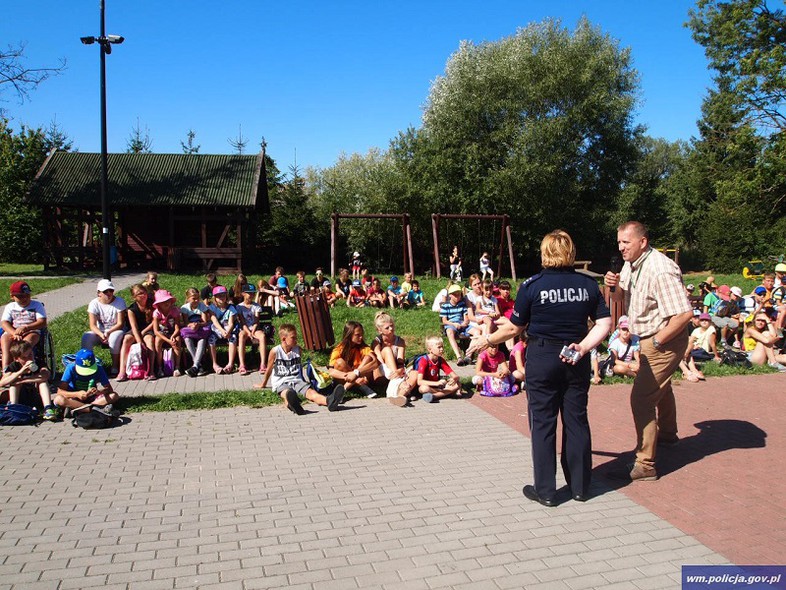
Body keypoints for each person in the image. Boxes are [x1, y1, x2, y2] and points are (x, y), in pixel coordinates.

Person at [482, 229, 610, 506]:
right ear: (571, 253)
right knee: (576, 421)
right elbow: (604, 323)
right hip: (576, 355)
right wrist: (584, 347)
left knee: (543, 424)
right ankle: (580, 487)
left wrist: (487, 340)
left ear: (545, 253)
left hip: (542, 356)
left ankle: (546, 491)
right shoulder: (588, 286)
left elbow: (516, 327)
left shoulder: (532, 286)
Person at [605, 221, 693, 482]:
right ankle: (667, 436)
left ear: (643, 242)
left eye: (626, 242)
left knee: (641, 399)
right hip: (646, 337)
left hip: (664, 340)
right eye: (619, 242)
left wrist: (656, 342)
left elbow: (684, 314)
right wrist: (614, 286)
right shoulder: (631, 263)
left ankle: (645, 464)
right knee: (660, 388)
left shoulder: (660, 269)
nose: (621, 248)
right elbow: (621, 298)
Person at [256, 324, 345, 414]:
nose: (296, 340)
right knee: (287, 393)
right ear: (283, 339)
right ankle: (294, 405)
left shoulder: (298, 350)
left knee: (311, 393)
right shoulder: (275, 351)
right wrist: (263, 384)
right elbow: (269, 369)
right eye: (293, 338)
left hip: (296, 380)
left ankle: (329, 401)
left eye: (296, 337)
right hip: (281, 381)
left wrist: (303, 380)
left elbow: (299, 367)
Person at [0, 341, 58, 420]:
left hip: (36, 396)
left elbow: (45, 376)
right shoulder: (14, 366)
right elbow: (2, 382)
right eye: (24, 357)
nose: (29, 359)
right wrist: (20, 372)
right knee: (14, 384)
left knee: (42, 382)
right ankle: (14, 407)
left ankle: (48, 408)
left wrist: (23, 380)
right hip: (21, 396)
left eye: (30, 355)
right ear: (17, 359)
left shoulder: (38, 362)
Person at [81, 279, 128, 376]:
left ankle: (115, 366)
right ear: (99, 293)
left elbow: (120, 323)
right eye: (105, 291)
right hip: (100, 331)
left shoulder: (119, 302)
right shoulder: (94, 304)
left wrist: (108, 332)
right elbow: (92, 325)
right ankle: (88, 365)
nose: (109, 293)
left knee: (114, 338)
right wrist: (101, 334)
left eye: (111, 290)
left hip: (116, 330)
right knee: (86, 337)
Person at [54, 348, 119, 415]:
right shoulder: (71, 368)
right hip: (74, 398)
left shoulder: (99, 368)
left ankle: (80, 409)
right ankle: (92, 409)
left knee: (114, 396)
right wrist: (76, 394)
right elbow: (60, 392)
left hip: (92, 398)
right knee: (59, 399)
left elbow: (109, 389)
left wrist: (99, 392)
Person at [371, 311, 417, 407]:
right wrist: (397, 372)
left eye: (392, 326)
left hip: (395, 373)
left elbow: (400, 361)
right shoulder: (376, 342)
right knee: (387, 350)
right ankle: (397, 391)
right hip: (381, 372)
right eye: (387, 328)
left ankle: (400, 395)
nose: (391, 329)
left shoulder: (400, 341)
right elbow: (380, 361)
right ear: (379, 330)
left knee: (415, 373)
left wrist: (400, 370)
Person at [1, 281, 47, 371]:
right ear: (12, 296)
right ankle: (6, 369)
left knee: (25, 344)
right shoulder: (10, 307)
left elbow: (42, 322)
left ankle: (27, 368)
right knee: (5, 341)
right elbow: (4, 323)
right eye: (20, 296)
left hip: (31, 330)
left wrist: (26, 327)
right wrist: (14, 333)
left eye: (27, 295)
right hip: (13, 331)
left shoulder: (36, 305)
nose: (25, 298)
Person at [328, 321, 379, 398]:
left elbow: (375, 363)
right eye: (357, 335)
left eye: (362, 334)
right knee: (340, 362)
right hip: (345, 379)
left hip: (360, 377)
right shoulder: (338, 349)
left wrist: (356, 373)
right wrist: (350, 377)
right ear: (349, 335)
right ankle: (361, 387)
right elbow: (331, 372)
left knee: (368, 358)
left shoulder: (364, 348)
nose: (361, 337)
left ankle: (343, 390)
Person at [117, 284, 155, 381]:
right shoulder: (131, 310)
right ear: (134, 297)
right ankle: (122, 371)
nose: (143, 295)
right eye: (140, 294)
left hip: (149, 328)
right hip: (136, 330)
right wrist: (139, 342)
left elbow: (155, 322)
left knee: (149, 340)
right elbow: (134, 327)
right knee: (126, 340)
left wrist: (144, 332)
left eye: (144, 292)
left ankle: (150, 371)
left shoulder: (152, 304)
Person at [439, 283, 480, 365]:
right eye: (455, 295)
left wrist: (464, 323)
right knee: (450, 332)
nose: (458, 297)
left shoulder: (462, 304)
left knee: (477, 332)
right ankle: (459, 357)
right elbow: (444, 321)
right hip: (451, 324)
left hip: (462, 324)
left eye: (459, 295)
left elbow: (466, 318)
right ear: (450, 295)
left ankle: (468, 355)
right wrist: (454, 324)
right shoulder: (445, 305)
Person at [415, 335, 461, 403]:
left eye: (442, 347)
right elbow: (419, 381)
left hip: (437, 387)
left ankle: (435, 396)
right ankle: (448, 393)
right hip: (428, 386)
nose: (442, 349)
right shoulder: (424, 360)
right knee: (423, 388)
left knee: (458, 384)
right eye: (439, 347)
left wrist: (454, 378)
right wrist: (436, 383)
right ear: (430, 349)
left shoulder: (440, 360)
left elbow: (454, 375)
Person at [151, 290, 183, 377]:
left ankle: (177, 366)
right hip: (162, 333)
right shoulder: (156, 313)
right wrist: (168, 341)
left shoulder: (174, 310)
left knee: (177, 340)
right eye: (163, 302)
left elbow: (177, 327)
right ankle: (160, 367)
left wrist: (172, 336)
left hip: (172, 332)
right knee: (157, 341)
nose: (166, 303)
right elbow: (156, 331)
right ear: (158, 304)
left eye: (168, 301)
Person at [180, 287, 210, 377]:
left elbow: (205, 322)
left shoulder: (202, 306)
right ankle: (198, 366)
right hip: (191, 331)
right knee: (187, 339)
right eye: (194, 298)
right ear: (188, 298)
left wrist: (198, 324)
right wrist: (191, 325)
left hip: (201, 329)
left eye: (198, 298)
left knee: (202, 340)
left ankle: (195, 366)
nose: (196, 300)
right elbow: (186, 322)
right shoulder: (185, 308)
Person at [207, 285, 238, 374]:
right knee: (211, 340)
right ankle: (214, 364)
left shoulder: (231, 308)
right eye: (218, 296)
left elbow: (231, 323)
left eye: (223, 295)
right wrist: (221, 330)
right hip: (217, 329)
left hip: (228, 329)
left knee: (233, 338)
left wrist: (227, 332)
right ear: (215, 298)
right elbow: (214, 321)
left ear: (226, 296)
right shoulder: (212, 307)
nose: (221, 298)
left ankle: (230, 364)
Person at [236, 284, 264, 375]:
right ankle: (242, 364)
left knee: (262, 336)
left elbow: (256, 321)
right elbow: (242, 322)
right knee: (241, 336)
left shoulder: (256, 306)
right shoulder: (239, 307)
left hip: (254, 328)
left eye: (253, 293)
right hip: (245, 328)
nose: (251, 295)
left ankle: (263, 364)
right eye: (249, 293)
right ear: (243, 294)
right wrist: (248, 332)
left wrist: (252, 331)